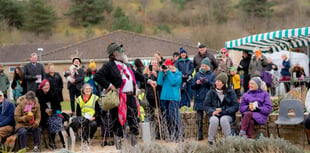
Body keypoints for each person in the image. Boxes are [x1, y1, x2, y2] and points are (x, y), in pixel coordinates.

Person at [94, 42, 157, 150]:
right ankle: (120, 149)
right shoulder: (109, 65)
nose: (122, 52)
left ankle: (134, 148)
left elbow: (137, 75)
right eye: (120, 50)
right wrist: (110, 86)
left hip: (131, 97)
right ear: (114, 53)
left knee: (134, 121)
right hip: (118, 98)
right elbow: (97, 76)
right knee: (118, 123)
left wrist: (149, 80)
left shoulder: (127, 65)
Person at [204, 72, 239, 145]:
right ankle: (210, 141)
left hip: (227, 114)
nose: (217, 83)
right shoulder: (211, 92)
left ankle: (229, 141)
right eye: (216, 81)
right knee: (214, 120)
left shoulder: (230, 92)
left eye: (219, 81)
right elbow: (206, 106)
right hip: (214, 114)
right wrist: (212, 111)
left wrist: (225, 112)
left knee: (223, 119)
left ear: (224, 83)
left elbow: (235, 106)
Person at [157, 59, 184, 142]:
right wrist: (161, 72)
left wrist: (168, 72)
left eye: (168, 66)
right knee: (167, 118)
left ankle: (179, 135)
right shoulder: (165, 74)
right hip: (164, 98)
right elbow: (159, 82)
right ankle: (171, 135)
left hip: (173, 98)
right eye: (166, 66)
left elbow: (174, 82)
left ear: (172, 66)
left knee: (174, 117)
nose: (167, 67)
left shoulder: (178, 73)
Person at [36, 79, 65, 149]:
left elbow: (58, 105)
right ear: (42, 86)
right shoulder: (38, 94)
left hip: (53, 112)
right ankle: (52, 142)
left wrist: (56, 111)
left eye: (48, 85)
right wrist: (44, 110)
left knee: (58, 121)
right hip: (43, 114)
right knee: (52, 122)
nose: (47, 87)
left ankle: (61, 142)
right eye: (45, 85)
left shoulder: (53, 93)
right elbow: (37, 107)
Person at [191, 57, 215, 140]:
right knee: (199, 119)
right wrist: (197, 83)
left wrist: (207, 82)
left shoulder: (212, 75)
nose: (204, 67)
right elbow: (192, 86)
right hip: (199, 98)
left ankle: (210, 136)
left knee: (209, 118)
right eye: (203, 66)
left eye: (205, 66)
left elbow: (214, 86)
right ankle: (199, 135)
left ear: (208, 66)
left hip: (208, 99)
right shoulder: (197, 74)